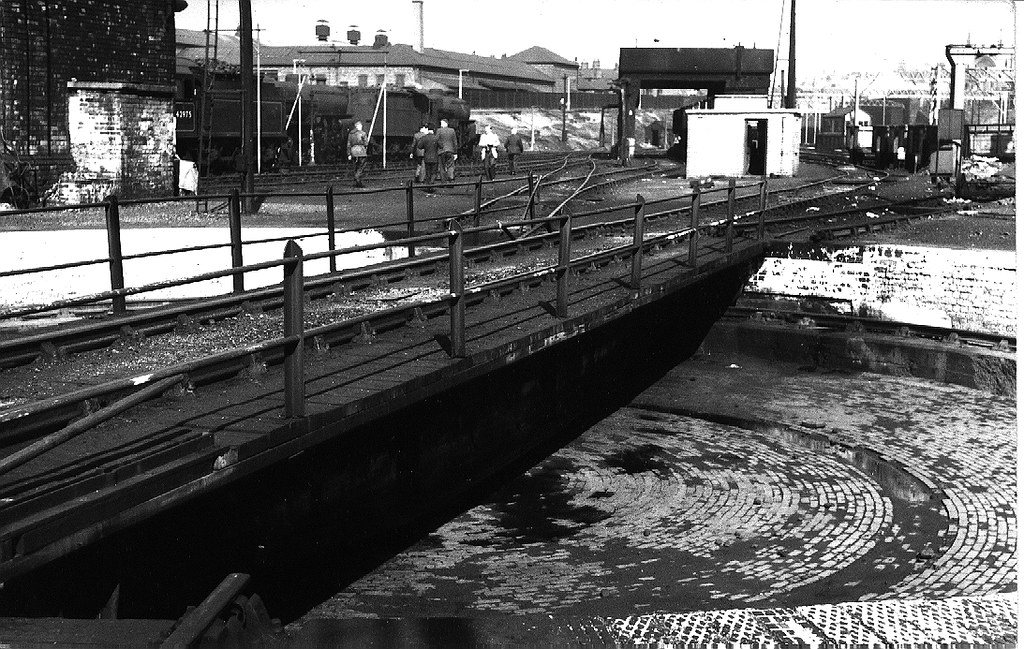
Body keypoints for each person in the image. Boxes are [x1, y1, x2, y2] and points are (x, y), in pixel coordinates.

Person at [435, 119, 459, 183]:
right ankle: (451, 178)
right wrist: (455, 152)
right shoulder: (452, 131)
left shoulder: (439, 130)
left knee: (442, 166)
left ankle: (443, 181)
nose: (440, 125)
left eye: (441, 123)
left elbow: (436, 140)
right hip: (450, 151)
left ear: (444, 123)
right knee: (450, 165)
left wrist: (438, 148)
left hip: (441, 151)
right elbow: (455, 142)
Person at [347, 121, 369, 188]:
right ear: (360, 126)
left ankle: (357, 181)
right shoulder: (363, 133)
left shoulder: (350, 134)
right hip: (361, 151)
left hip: (353, 151)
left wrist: (349, 154)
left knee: (355, 166)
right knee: (361, 166)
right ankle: (357, 178)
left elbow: (348, 144)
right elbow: (366, 143)